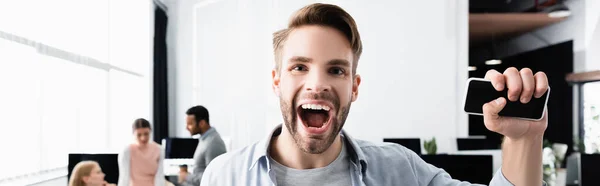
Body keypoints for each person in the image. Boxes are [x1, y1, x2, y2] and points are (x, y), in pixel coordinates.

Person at [200, 3, 550, 186]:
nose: (317, 83)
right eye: (299, 67)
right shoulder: (224, 175)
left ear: (354, 87)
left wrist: (525, 140)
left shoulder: (400, 170)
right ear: (277, 81)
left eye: (336, 70)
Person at [179, 105, 227, 186]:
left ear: (202, 123)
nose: (186, 128)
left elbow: (213, 178)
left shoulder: (213, 143)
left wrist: (186, 177)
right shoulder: (204, 139)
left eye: (190, 124)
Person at [118, 118, 165, 186]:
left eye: (146, 134)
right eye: (139, 135)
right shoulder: (127, 151)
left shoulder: (159, 149)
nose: (143, 138)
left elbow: (159, 176)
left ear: (150, 132)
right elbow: (124, 177)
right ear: (133, 134)